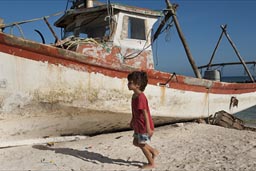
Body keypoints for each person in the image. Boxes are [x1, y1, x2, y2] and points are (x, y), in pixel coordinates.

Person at [127, 71, 159, 169]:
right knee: (135, 142)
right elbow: (134, 110)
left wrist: (148, 128)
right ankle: (153, 151)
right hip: (138, 125)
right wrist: (132, 120)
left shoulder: (141, 97)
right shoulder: (134, 96)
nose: (128, 84)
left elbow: (145, 113)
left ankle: (151, 163)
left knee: (141, 144)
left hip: (144, 126)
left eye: (130, 82)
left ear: (138, 85)